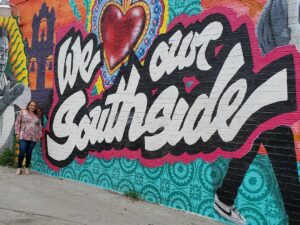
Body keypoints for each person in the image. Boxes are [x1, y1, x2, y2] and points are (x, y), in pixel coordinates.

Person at [214, 1, 300, 225]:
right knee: (283, 153)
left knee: (254, 142)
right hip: (274, 85)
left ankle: (225, 196)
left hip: (267, 83)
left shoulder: (275, 5)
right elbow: (293, 38)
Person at [0, 27, 30, 153]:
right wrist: (6, 101)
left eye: (6, 52)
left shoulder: (11, 83)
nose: (3, 58)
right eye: (0, 51)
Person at [15, 100, 43, 175]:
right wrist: (17, 133)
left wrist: (40, 136)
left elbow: (39, 127)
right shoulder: (23, 112)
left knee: (29, 153)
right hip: (23, 136)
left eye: (34, 106)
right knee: (22, 151)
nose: (33, 107)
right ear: (28, 105)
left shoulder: (37, 116)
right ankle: (19, 168)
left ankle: (27, 167)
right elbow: (17, 122)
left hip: (33, 138)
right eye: (31, 105)